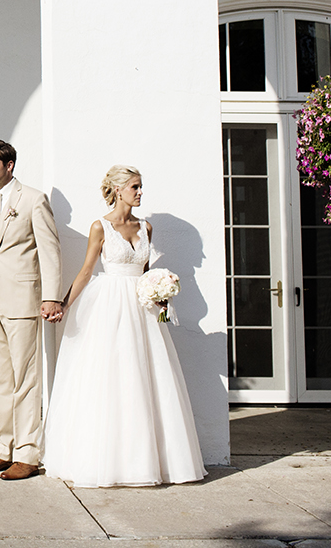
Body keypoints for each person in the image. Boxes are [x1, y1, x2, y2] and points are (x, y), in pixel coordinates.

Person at [43, 164, 205, 487]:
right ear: (118, 190)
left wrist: (161, 297)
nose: (141, 192)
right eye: (135, 187)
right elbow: (87, 271)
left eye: (141, 186)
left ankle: (145, 461)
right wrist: (63, 303)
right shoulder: (100, 227)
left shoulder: (146, 227)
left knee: (145, 380)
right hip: (109, 307)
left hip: (142, 309)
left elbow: (144, 272)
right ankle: (107, 461)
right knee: (110, 380)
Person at [0, 138, 63, 481]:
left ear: (9, 165)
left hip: (23, 299)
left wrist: (51, 296)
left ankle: (27, 453)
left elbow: (49, 249)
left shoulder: (33, 199)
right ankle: (3, 449)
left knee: (25, 378)